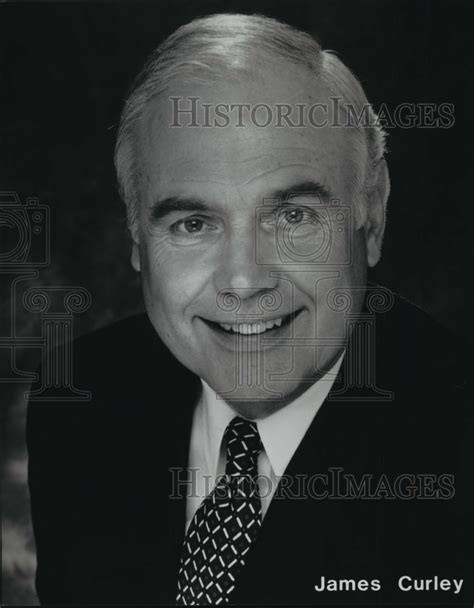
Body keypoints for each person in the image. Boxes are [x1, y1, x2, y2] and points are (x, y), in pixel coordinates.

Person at [27, 13, 473, 606]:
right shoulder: (78, 400)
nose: (243, 281)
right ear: (137, 237)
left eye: (293, 216)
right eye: (193, 223)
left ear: (373, 212)